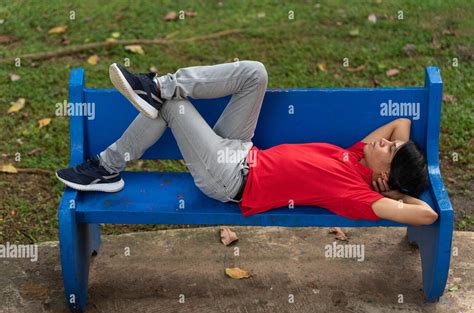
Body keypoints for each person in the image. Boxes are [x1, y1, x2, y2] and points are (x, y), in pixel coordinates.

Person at [56, 61, 438, 226]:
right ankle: (157, 86)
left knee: (171, 108)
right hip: (240, 147)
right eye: (390, 144)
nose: (386, 141)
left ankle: (106, 167)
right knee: (255, 73)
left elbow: (427, 215)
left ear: (384, 176)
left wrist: (397, 196)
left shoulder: (359, 195)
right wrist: (394, 168)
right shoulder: (359, 157)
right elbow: (401, 122)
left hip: (229, 177)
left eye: (389, 149)